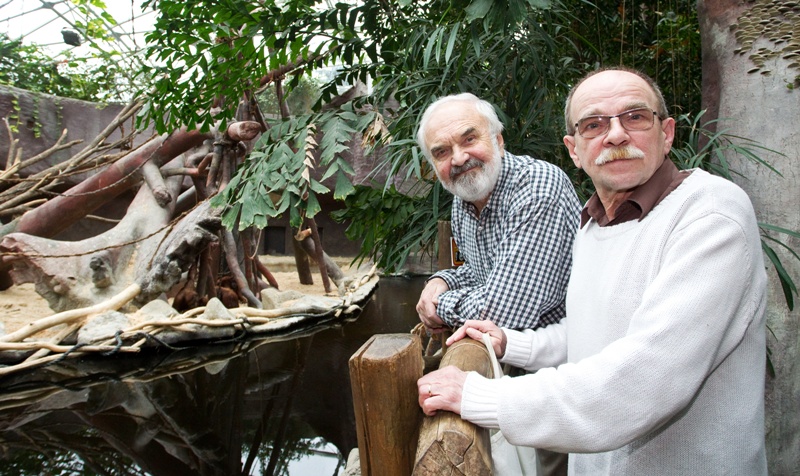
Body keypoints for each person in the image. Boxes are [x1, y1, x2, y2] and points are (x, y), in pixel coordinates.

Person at [417, 67, 768, 475]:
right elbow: (589, 332)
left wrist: (482, 397)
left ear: (667, 132)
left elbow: (643, 383)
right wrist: (512, 344)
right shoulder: (594, 224)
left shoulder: (710, 215)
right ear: (574, 149)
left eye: (634, 117)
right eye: (594, 124)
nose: (615, 135)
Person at [415, 93, 581, 334]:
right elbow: (483, 270)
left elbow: (503, 312)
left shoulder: (538, 186)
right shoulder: (464, 198)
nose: (459, 158)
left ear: (498, 141)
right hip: (516, 355)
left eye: (469, 139)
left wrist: (438, 307)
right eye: (442, 152)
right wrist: (443, 280)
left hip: (567, 355)